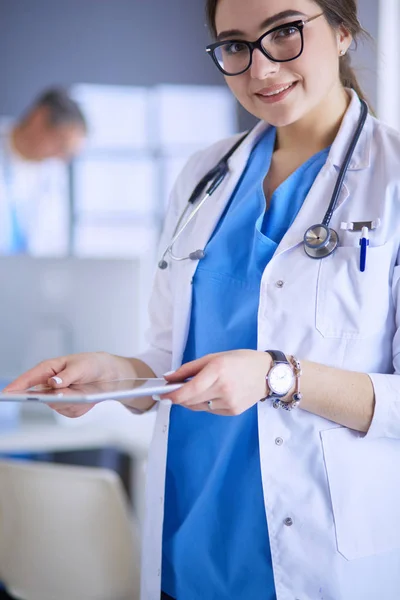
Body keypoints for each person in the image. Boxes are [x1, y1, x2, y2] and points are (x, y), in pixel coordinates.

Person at [5, 0, 400, 598]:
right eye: (235, 45)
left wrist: (278, 377)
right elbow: (170, 360)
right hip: (185, 550)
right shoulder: (203, 174)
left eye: (285, 32)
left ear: (343, 31)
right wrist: (117, 376)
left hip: (318, 561)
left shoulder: (393, 178)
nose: (261, 68)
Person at [0, 87, 87, 255]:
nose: (60, 158)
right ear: (39, 118)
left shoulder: (52, 176)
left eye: (67, 154)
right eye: (60, 146)